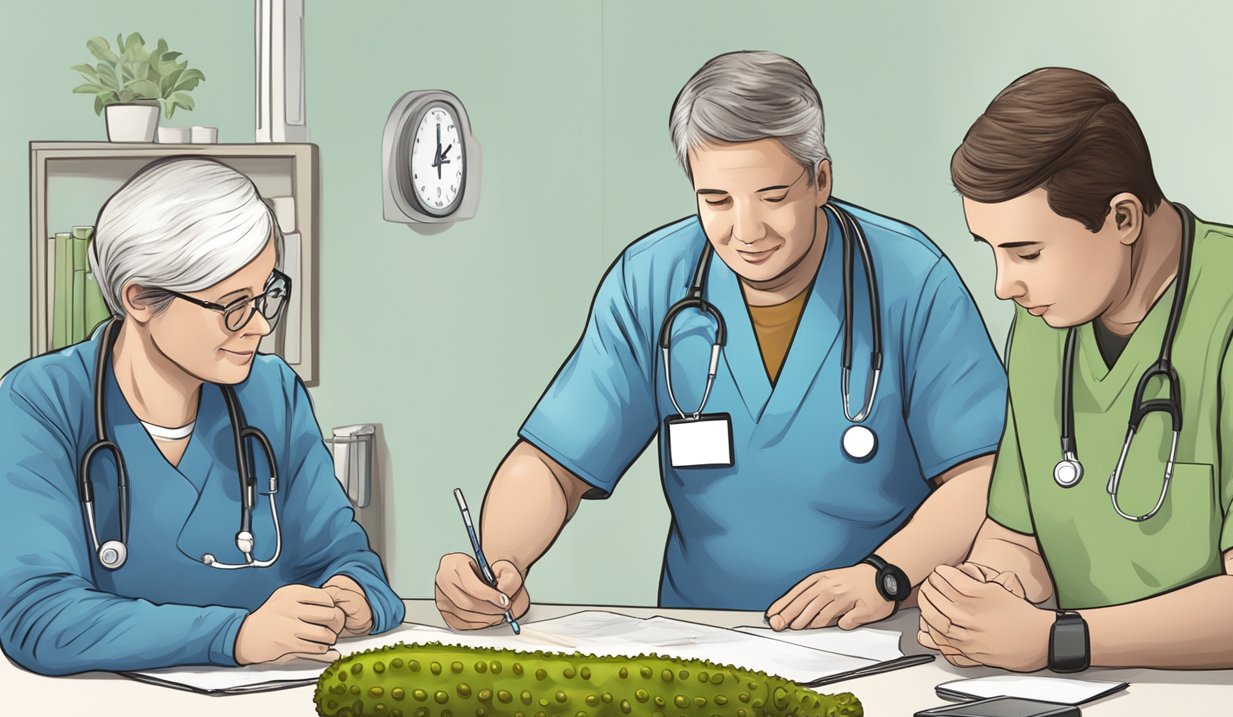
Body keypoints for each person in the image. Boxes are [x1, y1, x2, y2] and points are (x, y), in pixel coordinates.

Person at [435, 51, 1006, 632]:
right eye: (717, 201)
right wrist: (498, 565)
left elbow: (982, 474)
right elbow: (554, 465)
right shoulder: (651, 282)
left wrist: (886, 576)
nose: (747, 230)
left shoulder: (911, 278)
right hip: (702, 638)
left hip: (879, 632)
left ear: (821, 180)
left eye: (773, 196)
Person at [917, 67, 1233, 671]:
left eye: (1026, 252)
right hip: (1094, 696)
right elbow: (1018, 538)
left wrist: (1056, 640)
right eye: (990, 250)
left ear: (1123, 218)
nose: (1003, 284)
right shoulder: (1046, 323)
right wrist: (982, 595)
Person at [0, 157, 404, 676]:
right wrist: (234, 635)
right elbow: (38, 617)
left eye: (266, 296)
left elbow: (346, 558)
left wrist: (355, 597)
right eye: (233, 304)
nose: (258, 326)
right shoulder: (42, 400)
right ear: (141, 298)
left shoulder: (271, 391)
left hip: (276, 709)